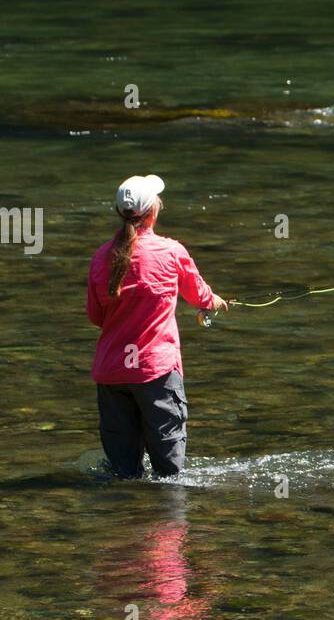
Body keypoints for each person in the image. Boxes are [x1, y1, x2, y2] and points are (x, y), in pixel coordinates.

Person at [87, 175, 228, 479]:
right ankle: (167, 526)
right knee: (170, 476)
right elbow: (198, 295)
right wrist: (213, 301)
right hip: (156, 374)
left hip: (112, 374)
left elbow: (96, 317)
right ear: (153, 212)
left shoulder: (100, 258)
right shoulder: (171, 252)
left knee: (122, 475)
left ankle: (122, 523)